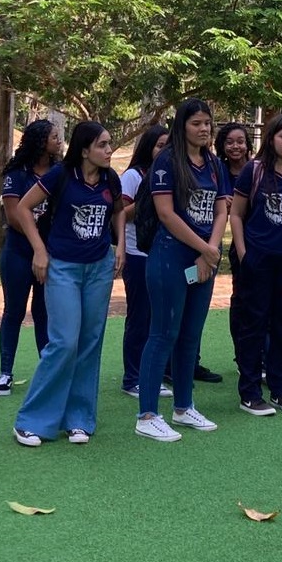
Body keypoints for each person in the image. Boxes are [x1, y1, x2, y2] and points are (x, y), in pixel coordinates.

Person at [10, 121, 126, 446]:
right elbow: (22, 207)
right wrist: (39, 250)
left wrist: (121, 248)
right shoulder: (60, 175)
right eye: (103, 145)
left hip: (99, 268)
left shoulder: (110, 178)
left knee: (90, 342)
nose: (109, 150)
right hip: (62, 267)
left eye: (110, 144)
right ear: (85, 149)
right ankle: (30, 422)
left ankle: (79, 419)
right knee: (64, 342)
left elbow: (118, 211)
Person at [135, 98, 230, 442]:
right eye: (196, 123)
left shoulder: (214, 165)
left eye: (207, 123)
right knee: (163, 333)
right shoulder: (166, 162)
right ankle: (146, 415)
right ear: (182, 126)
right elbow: (166, 214)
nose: (203, 129)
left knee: (190, 335)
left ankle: (183, 406)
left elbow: (221, 210)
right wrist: (204, 248)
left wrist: (212, 249)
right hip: (171, 256)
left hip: (204, 259)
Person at [229, 114, 282, 415]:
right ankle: (250, 392)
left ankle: (280, 388)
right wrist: (244, 254)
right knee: (252, 323)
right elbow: (236, 214)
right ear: (271, 139)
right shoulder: (253, 171)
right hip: (258, 260)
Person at [0, 119, 61, 396]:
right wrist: (37, 243)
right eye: (54, 137)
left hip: (50, 253)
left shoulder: (60, 172)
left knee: (44, 311)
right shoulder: (17, 174)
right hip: (19, 253)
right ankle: (5, 373)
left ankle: (46, 371)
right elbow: (13, 216)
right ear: (40, 141)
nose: (59, 141)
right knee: (14, 311)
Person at [119, 124, 172, 398]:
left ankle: (150, 374)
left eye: (167, 145)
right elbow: (118, 214)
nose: (163, 150)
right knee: (139, 317)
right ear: (147, 147)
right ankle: (132, 378)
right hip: (137, 254)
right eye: (159, 145)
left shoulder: (166, 174)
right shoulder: (132, 176)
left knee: (157, 318)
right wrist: (151, 202)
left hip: (161, 254)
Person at [216, 122, 253, 367]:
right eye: (229, 142)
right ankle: (243, 356)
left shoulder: (257, 170)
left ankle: (260, 358)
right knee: (241, 301)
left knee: (264, 304)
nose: (235, 146)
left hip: (262, 241)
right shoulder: (217, 171)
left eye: (240, 141)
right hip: (234, 244)